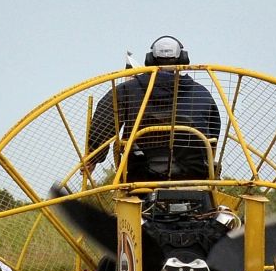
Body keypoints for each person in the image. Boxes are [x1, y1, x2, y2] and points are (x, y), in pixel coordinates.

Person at [85, 37, 221, 182]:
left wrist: (93, 157)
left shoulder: (126, 90)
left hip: (138, 175)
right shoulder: (201, 94)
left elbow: (103, 123)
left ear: (149, 60)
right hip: (195, 175)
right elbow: (213, 132)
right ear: (183, 58)